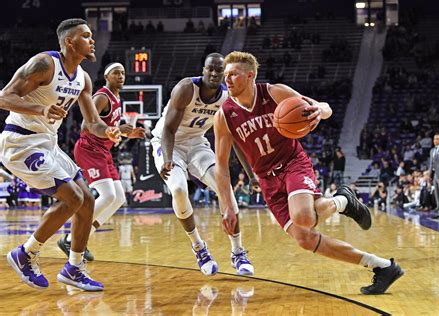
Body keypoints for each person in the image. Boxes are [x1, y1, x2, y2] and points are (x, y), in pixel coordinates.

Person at [214, 51, 403, 295]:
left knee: (303, 217)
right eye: (225, 75)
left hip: (292, 162)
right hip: (267, 179)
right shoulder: (224, 116)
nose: (227, 79)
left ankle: (343, 200)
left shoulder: (274, 92)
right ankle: (383, 267)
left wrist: (321, 111)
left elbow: (322, 107)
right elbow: (221, 165)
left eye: (233, 74)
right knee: (305, 239)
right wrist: (227, 205)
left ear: (250, 75)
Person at [0, 18, 121, 291]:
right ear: (69, 41)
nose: (92, 41)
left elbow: (92, 122)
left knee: (88, 201)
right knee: (74, 198)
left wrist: (109, 131)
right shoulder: (45, 64)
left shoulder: (83, 78)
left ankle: (74, 269)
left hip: (48, 142)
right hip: (20, 142)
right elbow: (4, 96)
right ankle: (26, 254)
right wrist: (40, 110)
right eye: (86, 36)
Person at [151, 52, 254, 276]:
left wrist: (251, 174)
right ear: (204, 69)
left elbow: (235, 138)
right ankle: (199, 247)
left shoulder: (227, 98)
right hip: (168, 143)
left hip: (197, 143)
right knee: (178, 189)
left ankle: (238, 252)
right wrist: (168, 158)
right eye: (210, 69)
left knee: (224, 187)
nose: (214, 74)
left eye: (219, 70)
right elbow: (168, 129)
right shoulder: (186, 88)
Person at [57, 62, 145, 261]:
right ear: (107, 76)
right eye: (116, 73)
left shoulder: (116, 98)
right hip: (89, 150)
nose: (121, 76)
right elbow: (87, 124)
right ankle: (72, 238)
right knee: (107, 195)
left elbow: (112, 131)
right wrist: (116, 131)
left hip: (103, 152)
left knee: (119, 198)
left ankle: (80, 237)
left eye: (123, 72)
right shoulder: (102, 96)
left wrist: (128, 134)